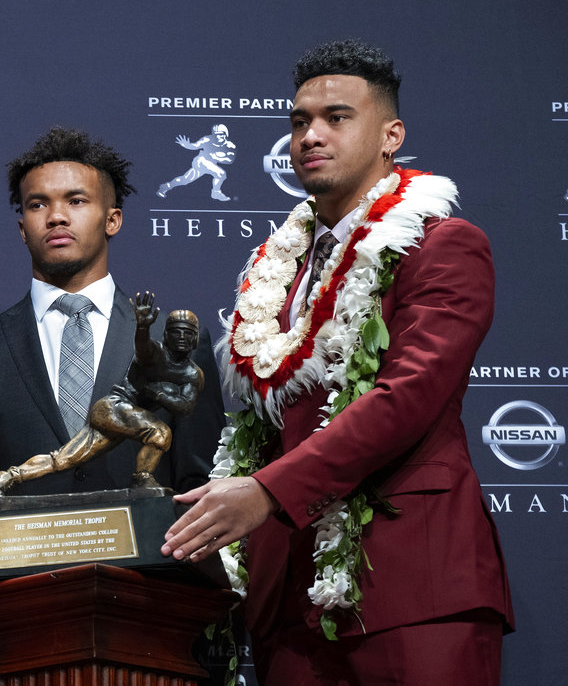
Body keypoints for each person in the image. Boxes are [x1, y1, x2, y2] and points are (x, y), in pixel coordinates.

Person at [162, 39, 513, 684]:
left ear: (391, 135)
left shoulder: (443, 246)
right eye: (299, 121)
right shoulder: (280, 264)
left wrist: (266, 492)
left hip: (414, 586)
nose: (311, 135)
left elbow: (406, 398)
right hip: (288, 602)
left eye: (337, 118)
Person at [0, 126, 224, 530]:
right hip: (14, 584)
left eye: (76, 200)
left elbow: (201, 480)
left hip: (148, 584)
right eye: (37, 204)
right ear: (22, 229)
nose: (56, 216)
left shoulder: (172, 342)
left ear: (113, 219)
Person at [0, 293, 205, 495]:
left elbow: (184, 406)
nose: (182, 337)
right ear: (166, 335)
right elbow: (144, 350)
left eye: (188, 333)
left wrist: (157, 392)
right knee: (160, 432)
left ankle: (9, 476)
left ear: (195, 338)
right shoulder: (156, 354)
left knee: (63, 459)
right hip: (112, 408)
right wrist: (142, 328)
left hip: (125, 422)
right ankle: (142, 479)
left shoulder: (192, 374)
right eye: (177, 331)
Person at [157, 124, 236, 201]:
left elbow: (230, 160)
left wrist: (216, 157)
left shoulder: (230, 146)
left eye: (221, 134)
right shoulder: (207, 139)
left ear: (226, 134)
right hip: (201, 161)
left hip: (210, 164)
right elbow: (195, 146)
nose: (218, 137)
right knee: (221, 174)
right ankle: (216, 193)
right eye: (216, 134)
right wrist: (187, 145)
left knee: (184, 180)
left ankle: (166, 186)